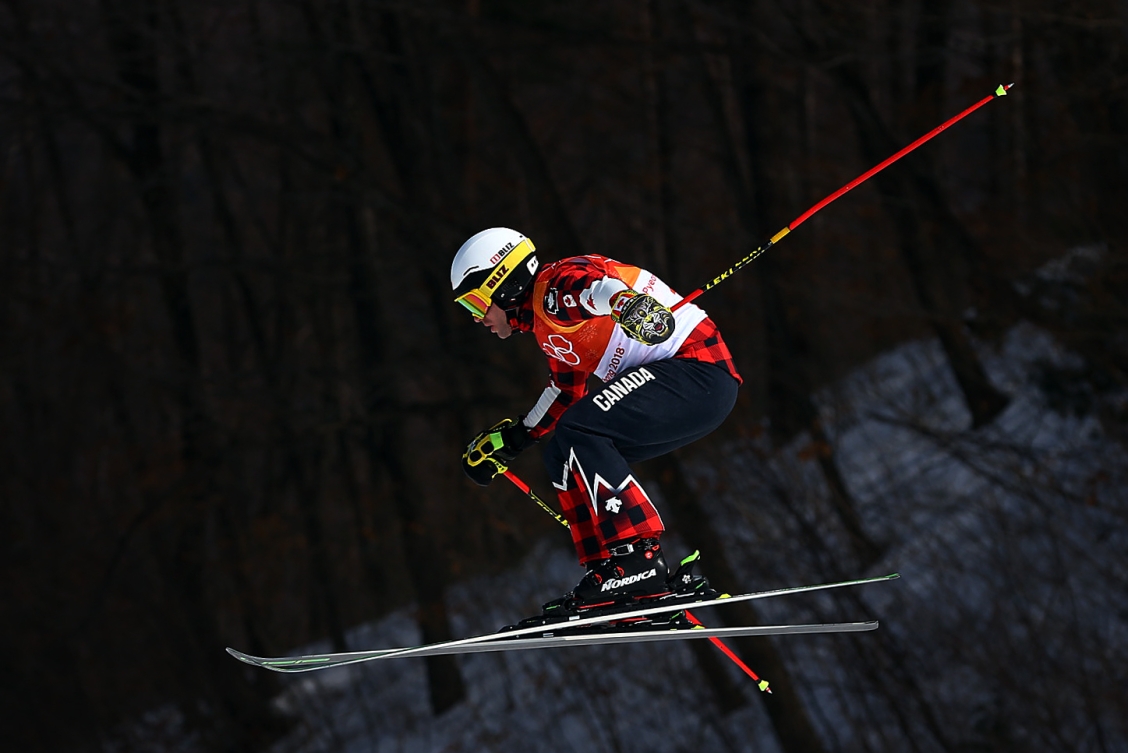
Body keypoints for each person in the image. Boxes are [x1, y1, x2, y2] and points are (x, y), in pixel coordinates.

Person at [452, 227, 741, 610]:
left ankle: (638, 558)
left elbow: (593, 289)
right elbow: (566, 391)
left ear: (502, 285)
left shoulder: (555, 289)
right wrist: (515, 439)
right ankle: (611, 568)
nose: (476, 319)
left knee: (581, 429)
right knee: (561, 453)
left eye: (475, 304)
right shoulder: (546, 325)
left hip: (698, 371)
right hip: (694, 389)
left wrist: (624, 303)